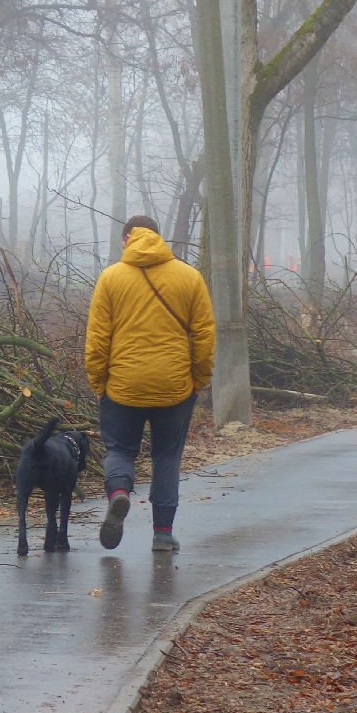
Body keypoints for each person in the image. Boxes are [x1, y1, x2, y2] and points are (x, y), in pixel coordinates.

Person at [85, 215, 216, 552]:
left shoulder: (111, 278)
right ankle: (161, 533)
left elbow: (98, 339)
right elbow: (204, 335)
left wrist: (100, 383)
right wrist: (198, 380)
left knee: (120, 450)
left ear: (129, 237)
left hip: (123, 386)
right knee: (167, 457)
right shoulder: (189, 277)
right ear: (158, 237)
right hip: (174, 387)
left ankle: (118, 494)